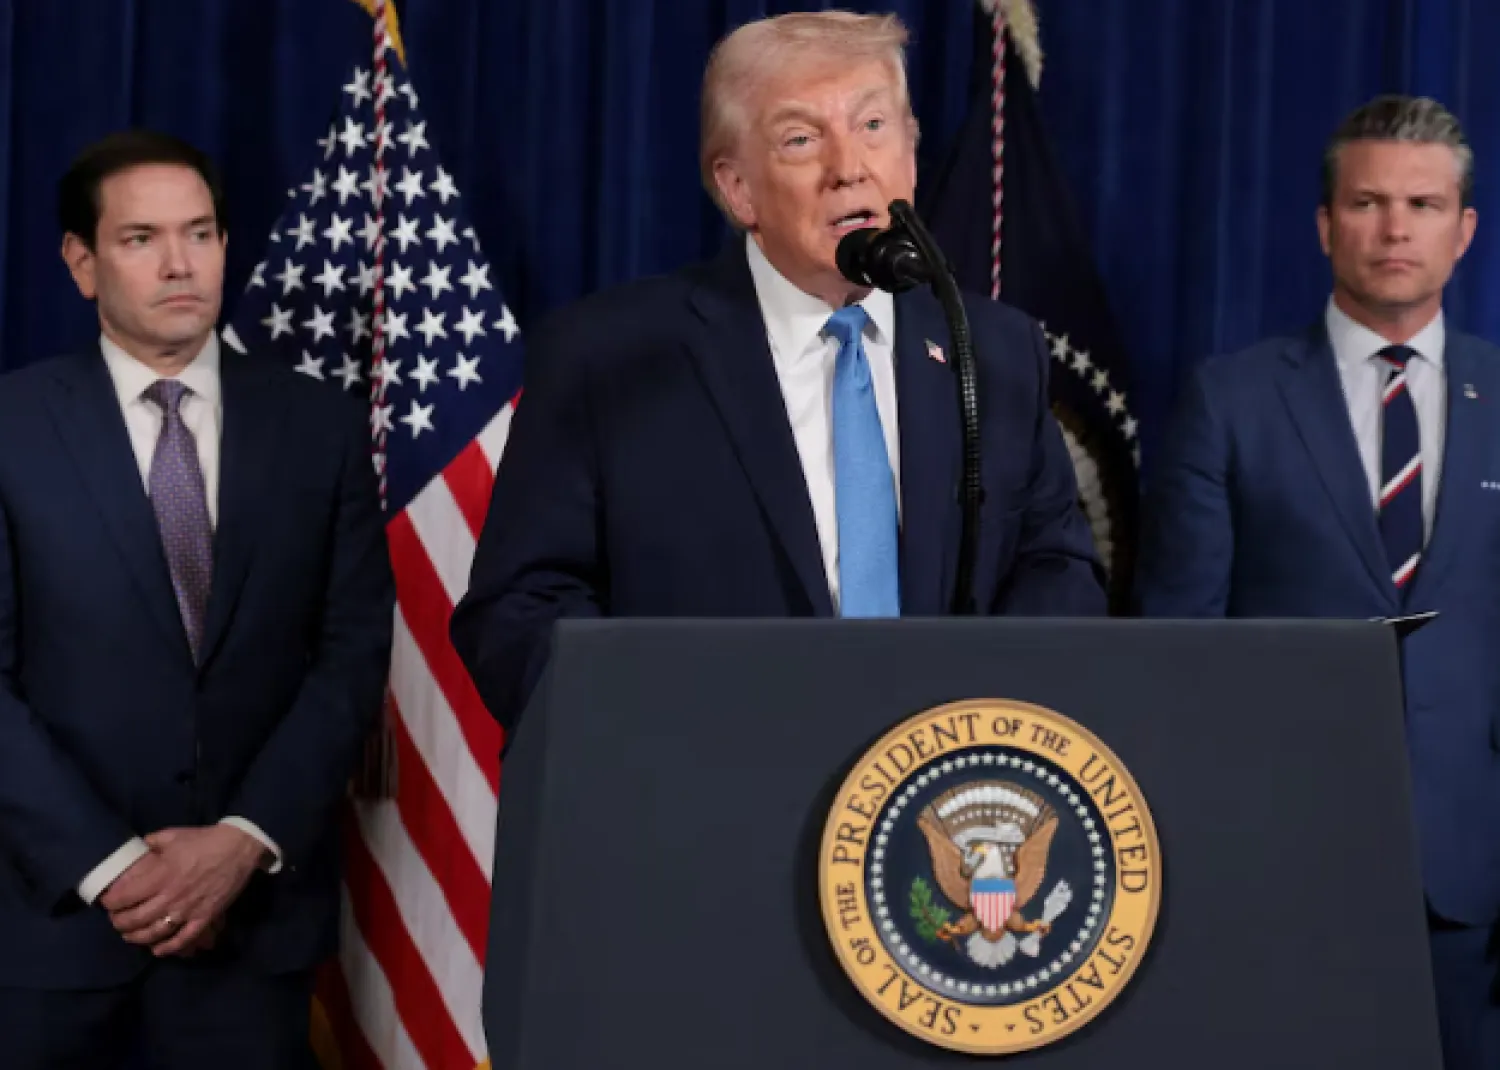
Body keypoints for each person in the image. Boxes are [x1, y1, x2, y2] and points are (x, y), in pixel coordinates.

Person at [450, 11, 1105, 731]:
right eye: (801, 139)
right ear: (738, 190)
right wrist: (661, 738)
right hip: (701, 782)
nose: (849, 167)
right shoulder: (608, 359)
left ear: (912, 154)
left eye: (873, 125)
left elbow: (1058, 571)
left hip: (938, 781)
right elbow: (519, 610)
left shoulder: (994, 351)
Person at [0, 130, 393, 1068]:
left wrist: (242, 842)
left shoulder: (319, 427)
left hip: (251, 934)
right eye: (141, 239)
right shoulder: (11, 429)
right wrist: (116, 870)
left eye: (201, 233)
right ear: (81, 262)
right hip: (53, 932)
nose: (180, 264)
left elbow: (349, 658)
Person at [1136, 95, 1497, 1068]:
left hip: (1473, 875)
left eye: (1423, 205)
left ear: (1464, 230)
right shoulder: (1231, 398)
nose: (1395, 229)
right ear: (1326, 224)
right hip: (1279, 853)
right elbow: (1179, 648)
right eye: (1369, 203)